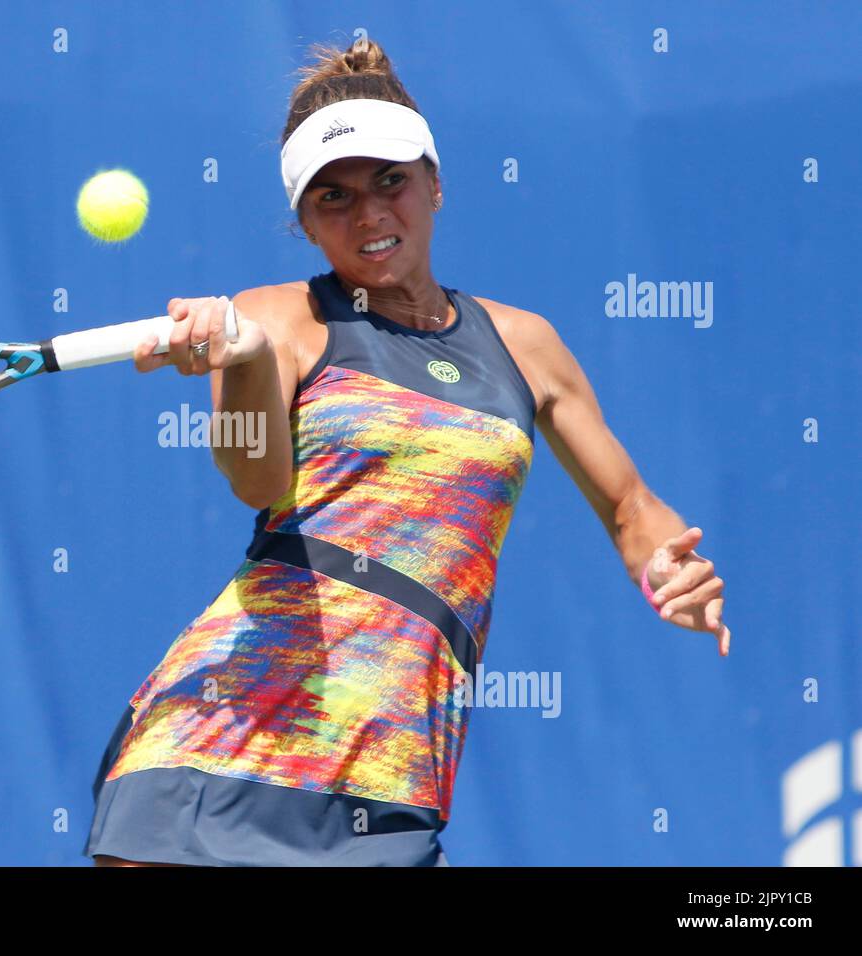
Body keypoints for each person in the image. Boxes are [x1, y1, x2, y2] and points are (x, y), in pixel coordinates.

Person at [83, 40, 730, 867]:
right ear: (305, 223)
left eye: (389, 180)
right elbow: (256, 478)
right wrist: (241, 362)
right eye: (334, 197)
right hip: (227, 725)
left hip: (395, 754)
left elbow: (631, 507)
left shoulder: (526, 345)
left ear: (434, 181)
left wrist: (666, 571)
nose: (369, 214)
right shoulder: (272, 319)